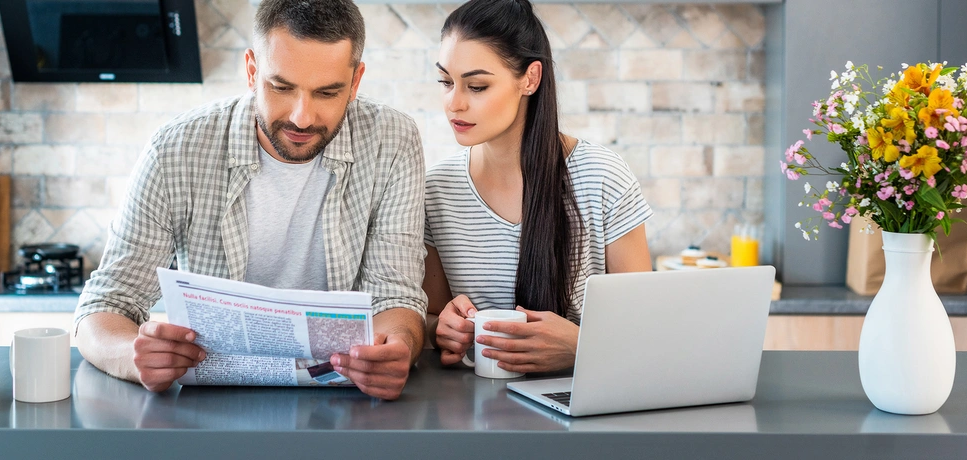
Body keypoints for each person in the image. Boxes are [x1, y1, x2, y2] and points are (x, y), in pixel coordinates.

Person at [74, 0, 427, 401]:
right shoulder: (177, 149)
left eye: (328, 93)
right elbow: (104, 305)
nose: (302, 117)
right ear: (252, 70)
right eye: (281, 87)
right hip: (208, 409)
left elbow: (395, 294)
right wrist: (131, 356)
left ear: (356, 81)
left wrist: (397, 348)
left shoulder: (392, 141)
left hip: (343, 402)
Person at [423, 0, 654, 374]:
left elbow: (647, 328)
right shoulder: (437, 190)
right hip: (477, 408)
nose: (454, 103)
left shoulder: (603, 177)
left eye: (477, 86)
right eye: (446, 82)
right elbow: (433, 315)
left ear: (530, 79)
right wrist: (441, 329)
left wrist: (581, 346)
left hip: (581, 404)